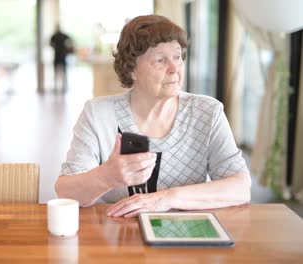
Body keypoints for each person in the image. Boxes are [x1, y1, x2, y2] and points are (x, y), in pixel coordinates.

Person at [55, 15, 251, 217]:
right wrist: (107, 177)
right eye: (160, 60)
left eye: (178, 56)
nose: (174, 68)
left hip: (186, 238)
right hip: (114, 239)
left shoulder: (207, 112)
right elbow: (66, 191)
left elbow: (241, 187)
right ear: (132, 70)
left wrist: (167, 198)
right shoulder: (97, 114)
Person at [50, 25, 74, 93]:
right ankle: (62, 87)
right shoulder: (61, 35)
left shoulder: (56, 36)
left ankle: (60, 87)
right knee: (62, 72)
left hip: (59, 56)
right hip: (61, 56)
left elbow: (51, 44)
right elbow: (71, 42)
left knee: (58, 73)